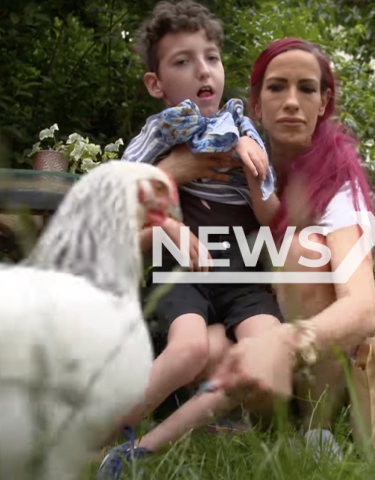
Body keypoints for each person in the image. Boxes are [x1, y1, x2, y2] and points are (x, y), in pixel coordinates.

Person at [97, 2, 284, 477]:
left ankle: (145, 450)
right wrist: (171, 225)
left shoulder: (244, 129)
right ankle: (98, 436)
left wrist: (250, 159)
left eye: (212, 57)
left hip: (241, 266)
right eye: (183, 60)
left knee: (266, 354)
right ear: (155, 84)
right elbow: (124, 195)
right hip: (180, 263)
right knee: (189, 350)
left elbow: (269, 214)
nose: (203, 69)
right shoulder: (159, 130)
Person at [207, 37, 375, 456]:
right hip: (259, 326)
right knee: (212, 340)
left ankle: (317, 430)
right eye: (277, 87)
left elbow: (361, 309)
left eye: (306, 89)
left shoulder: (336, 180)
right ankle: (261, 424)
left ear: (323, 103)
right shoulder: (232, 161)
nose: (291, 101)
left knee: (301, 249)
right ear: (256, 105)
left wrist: (279, 344)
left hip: (339, 348)